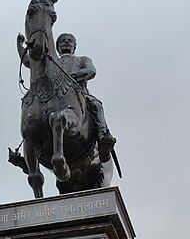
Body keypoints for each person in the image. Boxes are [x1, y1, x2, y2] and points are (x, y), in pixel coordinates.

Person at [16, 31, 116, 162]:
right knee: (34, 112)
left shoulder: (82, 60)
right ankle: (30, 149)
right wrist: (20, 47)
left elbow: (91, 71)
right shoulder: (51, 61)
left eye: (70, 41)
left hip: (78, 93)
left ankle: (103, 138)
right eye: (63, 41)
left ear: (74, 46)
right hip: (53, 95)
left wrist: (75, 75)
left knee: (96, 104)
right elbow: (30, 62)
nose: (66, 42)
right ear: (57, 47)